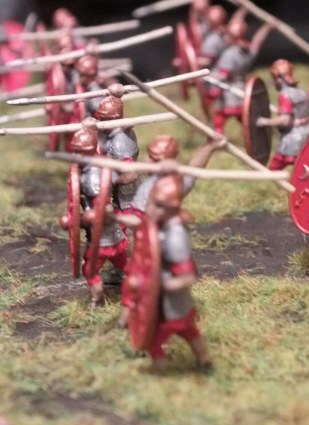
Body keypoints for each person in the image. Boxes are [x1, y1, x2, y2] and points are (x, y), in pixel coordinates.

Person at [142, 173, 212, 373]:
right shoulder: (162, 226)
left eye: (157, 205)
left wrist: (162, 285)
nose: (151, 209)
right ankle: (205, 360)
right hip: (173, 301)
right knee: (189, 331)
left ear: (170, 208)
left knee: (153, 341)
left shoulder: (174, 237)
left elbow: (187, 276)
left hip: (170, 303)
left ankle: (160, 372)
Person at [65, 127, 129, 308]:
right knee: (126, 264)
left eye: (77, 151)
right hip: (116, 234)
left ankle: (97, 300)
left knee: (90, 270)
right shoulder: (102, 167)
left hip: (99, 240)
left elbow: (101, 209)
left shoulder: (90, 178)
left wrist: (77, 221)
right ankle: (140, 287)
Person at [256, 59, 309, 170]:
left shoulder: (285, 95)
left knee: (275, 167)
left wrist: (265, 121)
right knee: (308, 165)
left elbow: (285, 120)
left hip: (292, 138)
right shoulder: (304, 92)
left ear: (279, 78)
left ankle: (272, 179)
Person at [207, 19, 273, 132]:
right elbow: (257, 41)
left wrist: (208, 76)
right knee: (245, 116)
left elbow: (223, 75)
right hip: (242, 88)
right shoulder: (248, 50)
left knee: (220, 117)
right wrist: (266, 27)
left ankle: (217, 136)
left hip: (229, 91)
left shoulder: (230, 54)